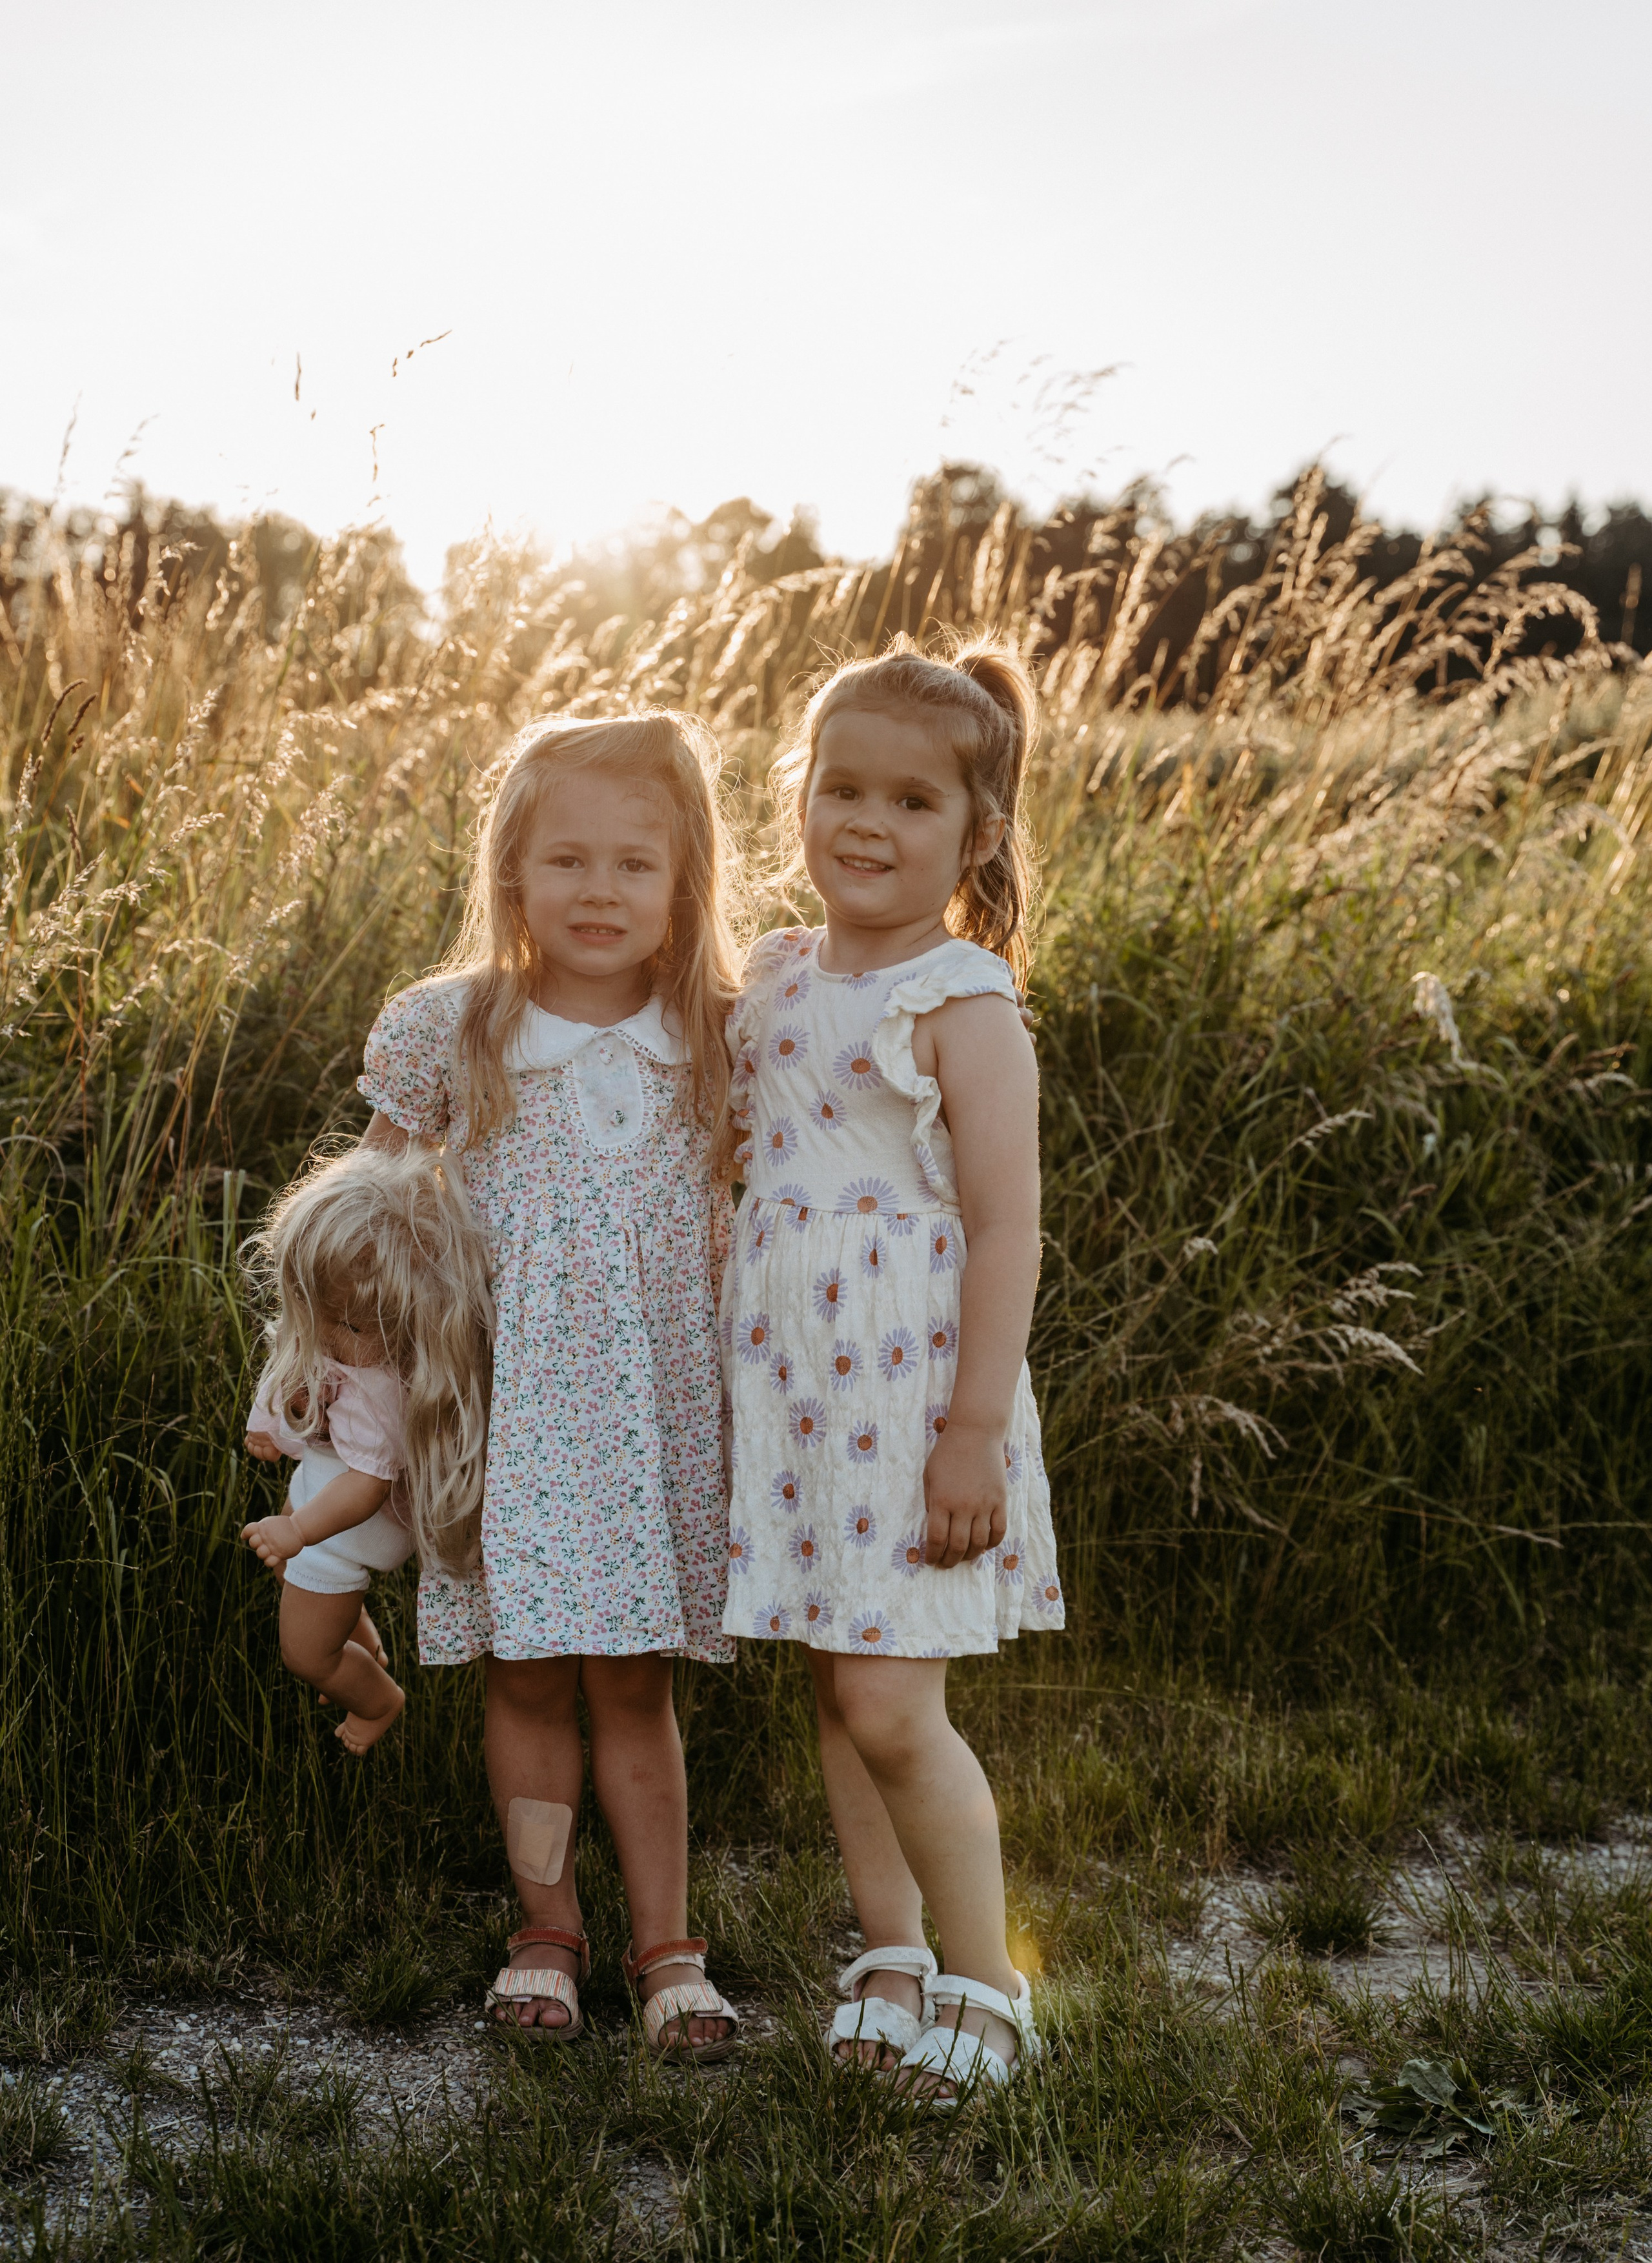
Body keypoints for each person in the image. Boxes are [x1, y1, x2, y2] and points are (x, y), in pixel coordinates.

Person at [356, 712, 741, 2057]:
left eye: (635, 863)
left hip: (650, 1427)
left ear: (685, 879)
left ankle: (669, 1947)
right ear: (510, 870)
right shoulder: (451, 1029)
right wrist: (343, 1394)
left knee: (633, 1683)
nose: (598, 891)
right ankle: (545, 1932)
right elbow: (372, 1227)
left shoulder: (719, 1038)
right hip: (502, 1417)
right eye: (565, 859)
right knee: (521, 1678)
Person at [723, 636, 1063, 2104]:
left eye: (910, 803)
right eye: (839, 788)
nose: (865, 824)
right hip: (792, 1386)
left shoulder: (959, 1000)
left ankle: (989, 1985)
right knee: (833, 1682)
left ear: (973, 833)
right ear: (796, 795)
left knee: (888, 1707)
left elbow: (1003, 1226)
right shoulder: (775, 972)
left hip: (909, 1393)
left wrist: (971, 1430)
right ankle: (887, 1948)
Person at [242, 1143, 493, 1756]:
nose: (330, 1335)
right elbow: (301, 1381)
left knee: (302, 1650)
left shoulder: (382, 1395)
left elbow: (367, 1486)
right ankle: (360, 1642)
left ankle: (377, 1698)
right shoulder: (350, 1347)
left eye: (352, 1326)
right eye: (321, 1315)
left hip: (344, 1530)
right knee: (315, 1602)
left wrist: (298, 1529)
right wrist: (271, 1429)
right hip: (327, 1523)